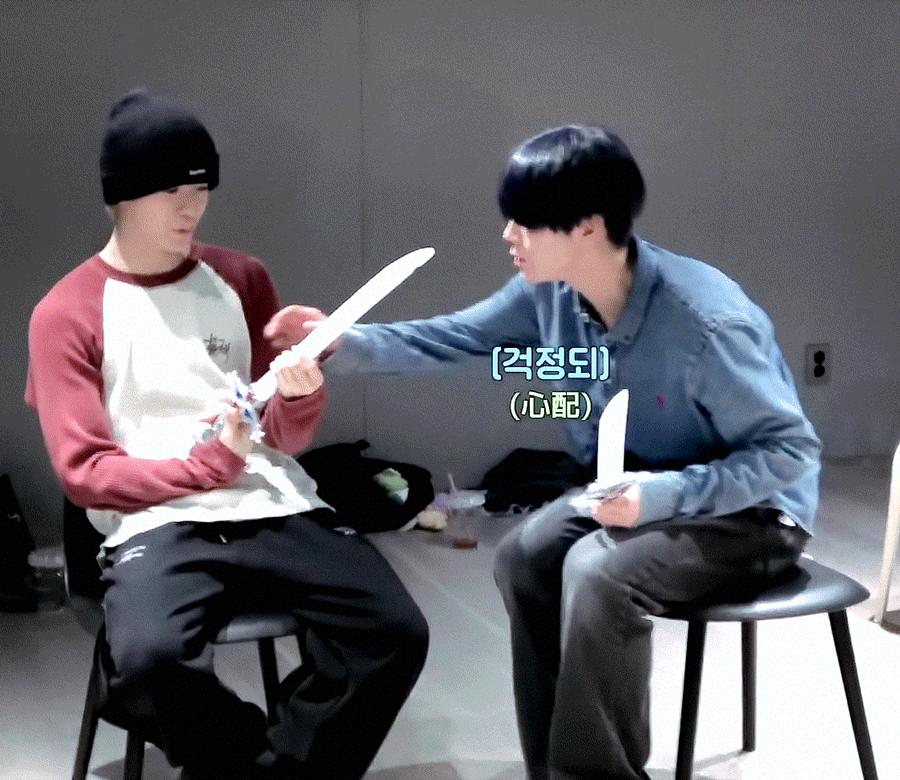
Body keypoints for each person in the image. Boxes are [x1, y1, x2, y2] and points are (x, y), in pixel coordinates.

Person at [264, 125, 821, 780]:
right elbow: (453, 338)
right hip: (636, 486)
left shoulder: (707, 324)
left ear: (588, 228)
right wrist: (338, 341)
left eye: (526, 222)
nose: (509, 235)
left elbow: (789, 451)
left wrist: (662, 496)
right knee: (525, 557)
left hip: (754, 514)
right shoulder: (552, 292)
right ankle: (554, 768)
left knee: (599, 574)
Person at [25, 88, 428, 780]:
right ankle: (253, 763)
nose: (192, 207)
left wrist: (301, 394)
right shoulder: (66, 312)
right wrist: (208, 466)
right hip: (157, 522)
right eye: (172, 191)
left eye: (201, 189)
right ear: (123, 195)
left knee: (394, 632)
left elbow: (283, 436)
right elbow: (85, 471)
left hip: (274, 503)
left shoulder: (240, 278)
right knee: (148, 663)